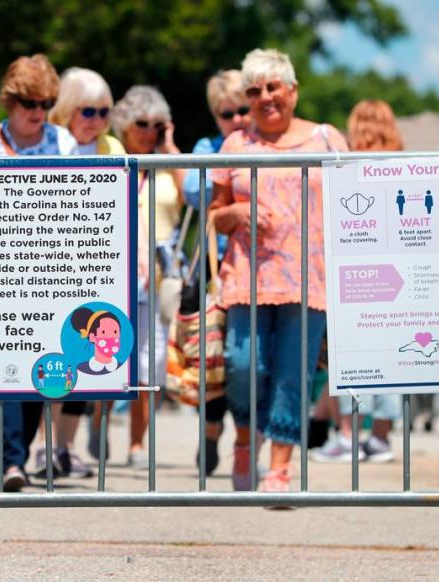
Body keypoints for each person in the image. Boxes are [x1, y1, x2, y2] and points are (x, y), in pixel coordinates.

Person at [210, 48, 348, 492]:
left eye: (274, 87)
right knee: (243, 363)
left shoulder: (327, 140)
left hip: (310, 279)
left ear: (293, 90)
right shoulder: (235, 145)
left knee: (294, 371)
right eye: (255, 90)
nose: (265, 97)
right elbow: (213, 216)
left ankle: (280, 468)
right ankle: (245, 443)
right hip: (247, 278)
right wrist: (235, 213)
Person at [0, 54, 76, 492]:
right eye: (30, 102)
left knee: (45, 375)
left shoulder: (64, 142)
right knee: (8, 368)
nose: (38, 112)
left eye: (46, 102)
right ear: (11, 101)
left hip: (53, 270)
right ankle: (12, 462)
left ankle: (21, 455)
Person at [28, 67, 122, 480]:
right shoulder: (48, 145)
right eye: (88, 111)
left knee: (87, 362)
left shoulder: (112, 147)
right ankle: (41, 448)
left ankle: (64, 447)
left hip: (99, 266)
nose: (97, 121)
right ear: (66, 110)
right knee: (51, 361)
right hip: (50, 267)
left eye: (104, 112)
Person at [95, 86, 183, 469]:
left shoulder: (167, 167)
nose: (148, 131)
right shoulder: (111, 160)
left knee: (149, 365)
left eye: (155, 125)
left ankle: (136, 442)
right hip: (114, 269)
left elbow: (196, 197)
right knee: (104, 357)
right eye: (141, 124)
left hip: (159, 275)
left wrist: (171, 146)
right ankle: (98, 427)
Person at [311, 99, 403, 464]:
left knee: (347, 357)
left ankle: (347, 435)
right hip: (397, 277)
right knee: (394, 356)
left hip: (354, 277)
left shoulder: (345, 167)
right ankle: (380, 438)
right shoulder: (405, 166)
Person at [180, 70, 252, 476]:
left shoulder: (266, 145)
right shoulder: (208, 147)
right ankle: (210, 434)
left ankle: (247, 439)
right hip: (215, 270)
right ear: (215, 115)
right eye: (228, 113)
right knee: (213, 361)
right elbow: (193, 189)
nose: (238, 119)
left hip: (260, 269)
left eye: (244, 109)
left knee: (247, 362)